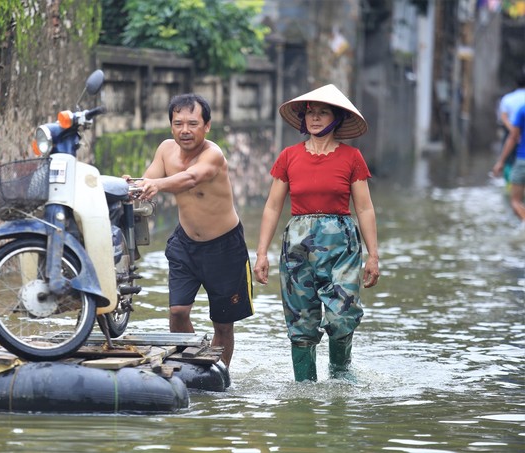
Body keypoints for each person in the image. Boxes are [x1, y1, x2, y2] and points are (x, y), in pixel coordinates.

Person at [253, 84, 380, 382]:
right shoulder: (288, 157)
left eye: (323, 113)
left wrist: (373, 255)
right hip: (297, 245)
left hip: (342, 245)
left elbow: (364, 209)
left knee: (341, 316)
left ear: (336, 118)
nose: (315, 118)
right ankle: (305, 388)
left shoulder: (352, 157)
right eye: (311, 113)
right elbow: (272, 207)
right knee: (301, 322)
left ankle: (340, 376)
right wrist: (261, 252)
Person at [128, 93, 254, 369]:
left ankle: (220, 375)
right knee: (177, 311)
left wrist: (158, 185)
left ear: (206, 126)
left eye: (193, 123)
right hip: (185, 243)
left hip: (225, 248)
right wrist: (134, 186)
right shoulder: (165, 150)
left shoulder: (213, 154)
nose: (185, 130)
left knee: (222, 324)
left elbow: (192, 178)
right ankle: (196, 366)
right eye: (178, 123)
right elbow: (148, 180)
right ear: (171, 126)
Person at [492, 102, 525, 229]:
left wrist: (501, 161)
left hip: (522, 161)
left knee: (515, 202)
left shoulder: (522, 110)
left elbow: (512, 137)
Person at [496, 73, 525, 184]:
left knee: (508, 160)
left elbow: (503, 117)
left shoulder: (507, 98)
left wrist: (513, 130)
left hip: (511, 133)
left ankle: (511, 185)